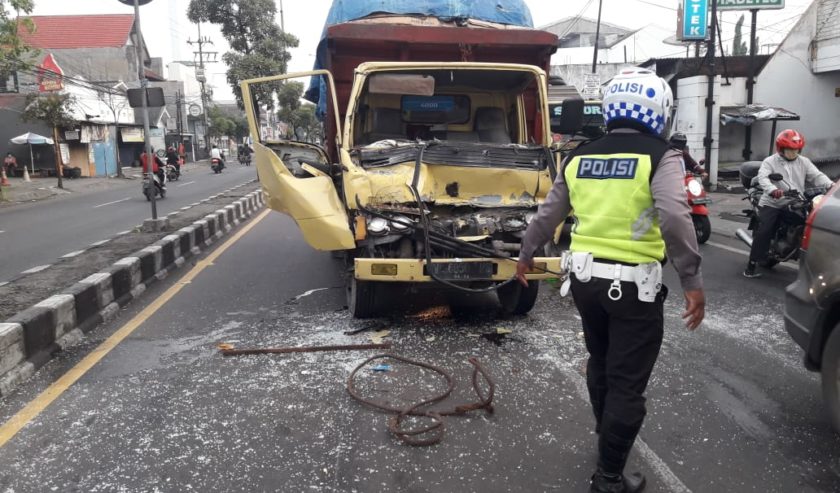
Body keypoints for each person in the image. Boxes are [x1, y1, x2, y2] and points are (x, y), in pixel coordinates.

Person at [516, 68, 705, 493]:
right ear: (660, 113)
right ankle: (608, 479)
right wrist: (691, 279)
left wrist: (525, 254)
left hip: (585, 283)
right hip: (634, 288)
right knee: (627, 383)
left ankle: (608, 439)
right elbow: (676, 217)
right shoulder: (662, 156)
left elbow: (549, 214)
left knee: (600, 362)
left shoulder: (580, 155)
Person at [743, 129, 833, 278]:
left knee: (811, 222)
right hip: (773, 202)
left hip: (796, 200)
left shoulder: (804, 161)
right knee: (765, 230)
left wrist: (831, 186)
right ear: (780, 149)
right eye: (789, 150)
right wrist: (772, 190)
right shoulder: (770, 162)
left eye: (796, 150)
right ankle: (751, 265)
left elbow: (817, 176)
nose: (793, 153)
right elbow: (763, 178)